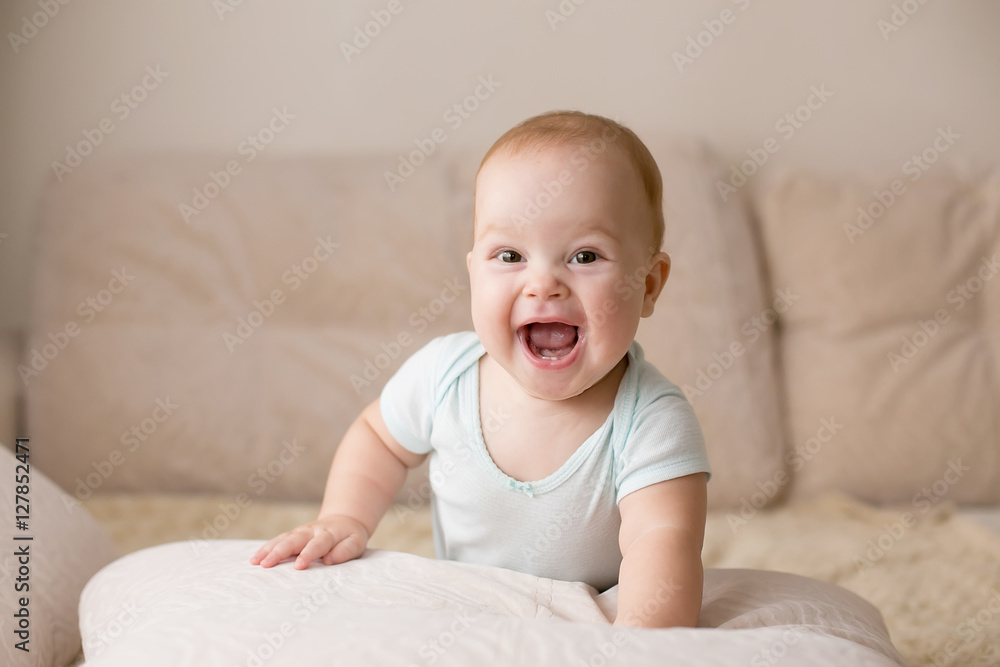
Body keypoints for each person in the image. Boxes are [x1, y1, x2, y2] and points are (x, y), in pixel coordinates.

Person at [251, 111, 711, 628]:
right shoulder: (445, 376)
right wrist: (345, 517)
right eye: (510, 254)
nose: (543, 284)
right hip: (464, 617)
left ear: (648, 285)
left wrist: (639, 646)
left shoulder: (651, 422)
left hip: (585, 619)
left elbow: (662, 543)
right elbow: (378, 438)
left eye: (584, 256)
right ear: (474, 272)